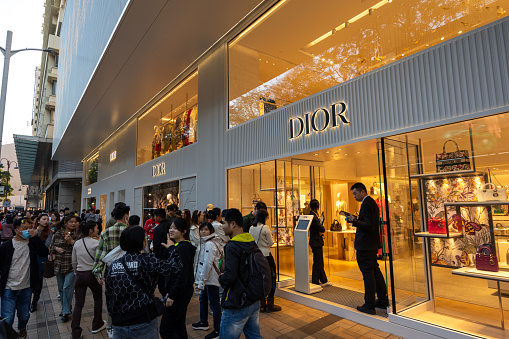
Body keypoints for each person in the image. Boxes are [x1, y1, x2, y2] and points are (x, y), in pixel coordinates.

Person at [105, 226, 173, 338]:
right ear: (141, 241)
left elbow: (109, 294)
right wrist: (172, 248)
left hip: (119, 323)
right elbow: (175, 267)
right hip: (143, 321)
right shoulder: (147, 260)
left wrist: (114, 318)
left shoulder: (114, 264)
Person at [344, 182, 388, 315]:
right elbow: (369, 223)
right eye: (353, 194)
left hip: (366, 246)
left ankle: (369, 305)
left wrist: (354, 221)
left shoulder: (367, 203)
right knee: (374, 272)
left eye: (355, 193)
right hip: (370, 245)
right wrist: (355, 219)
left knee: (368, 274)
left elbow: (369, 225)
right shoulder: (370, 203)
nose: (354, 196)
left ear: (363, 192)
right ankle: (382, 300)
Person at [0, 218, 48, 339]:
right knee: (8, 318)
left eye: (30, 227)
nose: (29, 230)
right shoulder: (6, 246)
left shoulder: (32, 244)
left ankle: (22, 329)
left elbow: (44, 253)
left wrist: (36, 237)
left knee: (24, 316)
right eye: (25, 228)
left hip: (26, 287)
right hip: (8, 288)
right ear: (16, 230)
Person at [219, 208, 261, 339]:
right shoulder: (250, 240)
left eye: (223, 223)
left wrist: (221, 279)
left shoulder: (232, 246)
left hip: (236, 302)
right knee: (254, 336)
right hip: (253, 300)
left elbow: (229, 277)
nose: (222, 227)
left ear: (233, 224)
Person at [93, 202, 130, 338]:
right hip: (128, 271)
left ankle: (110, 326)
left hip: (111, 271)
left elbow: (100, 255)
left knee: (111, 299)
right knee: (127, 297)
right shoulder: (130, 231)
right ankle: (125, 323)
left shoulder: (106, 233)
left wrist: (98, 272)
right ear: (126, 216)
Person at [160, 218, 196, 339]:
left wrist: (172, 295)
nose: (171, 230)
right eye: (170, 227)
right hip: (180, 290)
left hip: (180, 292)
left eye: (175, 228)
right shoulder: (179, 247)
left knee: (166, 327)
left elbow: (181, 274)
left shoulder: (183, 248)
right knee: (178, 325)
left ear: (184, 231)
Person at [71, 220, 106, 338]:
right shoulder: (96, 243)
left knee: (78, 304)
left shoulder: (77, 243)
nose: (98, 230)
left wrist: (77, 272)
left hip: (80, 274)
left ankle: (75, 332)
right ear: (91, 230)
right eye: (96, 228)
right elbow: (100, 262)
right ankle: (97, 324)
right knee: (97, 299)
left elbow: (74, 261)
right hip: (92, 274)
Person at [192, 222, 223, 339]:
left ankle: (218, 330)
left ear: (211, 231)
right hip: (207, 279)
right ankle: (203, 322)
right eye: (201, 230)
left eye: (206, 230)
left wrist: (201, 281)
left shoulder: (209, 244)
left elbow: (207, 264)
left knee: (214, 305)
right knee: (203, 299)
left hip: (210, 279)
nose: (203, 232)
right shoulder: (206, 242)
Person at [249, 209, 281, 312]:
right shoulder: (265, 228)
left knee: (260, 277)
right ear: (264, 217)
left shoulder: (251, 228)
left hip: (256, 255)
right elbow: (271, 243)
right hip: (266, 255)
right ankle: (270, 304)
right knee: (272, 276)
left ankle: (262, 303)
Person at [49, 215, 79, 322]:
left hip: (72, 264)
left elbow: (80, 249)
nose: (73, 224)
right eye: (71, 221)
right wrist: (56, 248)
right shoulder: (58, 233)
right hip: (59, 264)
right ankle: (65, 308)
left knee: (67, 287)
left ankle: (65, 311)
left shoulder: (78, 235)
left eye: (75, 222)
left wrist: (71, 241)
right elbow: (51, 247)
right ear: (65, 222)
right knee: (61, 289)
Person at [30, 213, 53, 312]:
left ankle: (34, 301)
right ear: (38, 220)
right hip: (31, 257)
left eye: (47, 219)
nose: (46, 221)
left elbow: (45, 247)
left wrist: (36, 237)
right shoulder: (32, 230)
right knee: (32, 278)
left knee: (39, 280)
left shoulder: (49, 232)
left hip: (41, 258)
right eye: (44, 219)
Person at [308, 199, 331, 288]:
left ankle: (323, 279)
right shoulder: (313, 217)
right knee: (318, 261)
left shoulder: (312, 215)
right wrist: (321, 223)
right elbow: (321, 229)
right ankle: (315, 281)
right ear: (317, 207)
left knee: (319, 261)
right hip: (316, 241)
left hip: (315, 241)